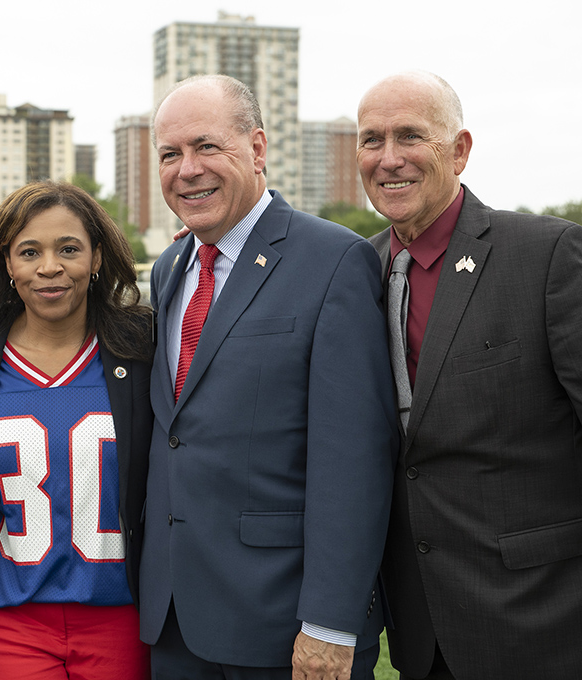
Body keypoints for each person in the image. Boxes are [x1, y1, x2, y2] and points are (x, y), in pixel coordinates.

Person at [140, 74, 397, 680]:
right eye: (170, 155)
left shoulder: (335, 261)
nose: (187, 170)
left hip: (283, 625)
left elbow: (354, 458)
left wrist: (331, 622)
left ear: (256, 149)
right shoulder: (172, 265)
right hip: (174, 619)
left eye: (207, 147)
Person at [358, 71, 582, 680]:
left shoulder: (547, 255)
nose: (389, 158)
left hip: (543, 619)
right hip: (419, 626)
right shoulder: (358, 270)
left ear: (459, 150)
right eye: (371, 139)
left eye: (410, 136)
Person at [0, 181, 153, 679]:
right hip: (9, 619)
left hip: (121, 616)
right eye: (29, 251)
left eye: (69, 249)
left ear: (97, 257)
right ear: (7, 263)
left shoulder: (141, 346)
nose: (49, 267)